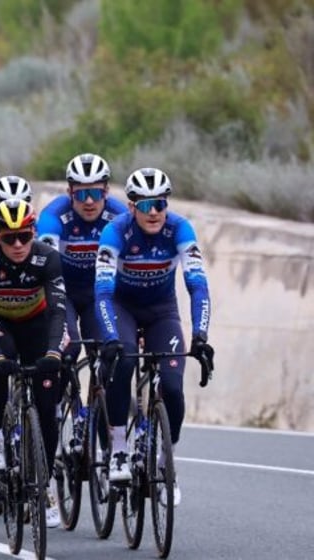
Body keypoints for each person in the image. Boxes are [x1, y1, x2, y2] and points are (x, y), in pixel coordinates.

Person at [95, 167, 214, 508]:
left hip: (163, 311)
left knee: (173, 387)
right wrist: (110, 337)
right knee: (124, 360)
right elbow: (102, 292)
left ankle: (166, 462)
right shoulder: (114, 232)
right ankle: (118, 449)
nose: (153, 212)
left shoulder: (180, 228)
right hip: (123, 308)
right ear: (131, 207)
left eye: (159, 204)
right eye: (145, 205)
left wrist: (201, 335)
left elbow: (197, 286)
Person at [0, 198, 69, 529]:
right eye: (9, 238)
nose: (18, 245)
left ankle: (48, 480)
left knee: (46, 401)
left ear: (33, 233)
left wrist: (54, 353)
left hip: (37, 325)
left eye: (24, 236)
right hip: (0, 325)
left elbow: (57, 310)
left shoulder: (48, 257)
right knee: (0, 362)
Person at [36, 153, 127, 359]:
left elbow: (130, 266)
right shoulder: (53, 215)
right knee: (69, 348)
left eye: (95, 193)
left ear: (106, 192)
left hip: (99, 293)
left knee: (108, 352)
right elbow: (44, 261)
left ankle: (101, 389)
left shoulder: (120, 216)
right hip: (62, 291)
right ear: (69, 192)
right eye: (80, 194)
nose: (88, 201)